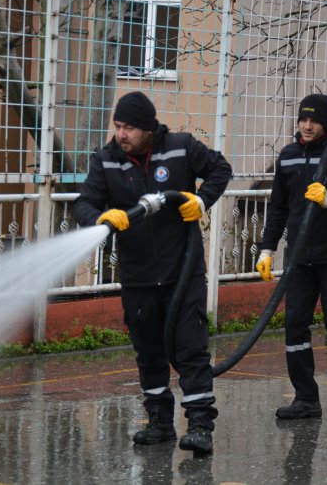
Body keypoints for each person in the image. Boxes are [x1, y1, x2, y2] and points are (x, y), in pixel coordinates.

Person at [73, 91, 232, 454]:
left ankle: (200, 426)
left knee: (190, 349)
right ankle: (160, 422)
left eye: (128, 127)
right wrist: (98, 218)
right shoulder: (106, 160)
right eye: (117, 126)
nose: (121, 134)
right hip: (138, 275)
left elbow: (220, 169)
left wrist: (201, 199)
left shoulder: (180, 148)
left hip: (183, 272)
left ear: (147, 128)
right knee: (148, 351)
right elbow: (85, 202)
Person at [255, 93, 327, 419]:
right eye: (303, 119)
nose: (306, 125)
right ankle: (306, 398)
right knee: (294, 326)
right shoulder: (288, 156)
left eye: (314, 120)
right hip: (299, 259)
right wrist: (267, 248)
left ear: (326, 123)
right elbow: (277, 207)